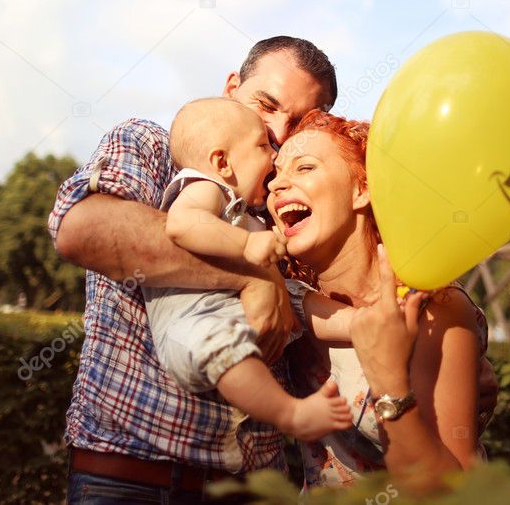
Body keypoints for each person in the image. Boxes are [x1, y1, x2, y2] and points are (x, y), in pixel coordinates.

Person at [49, 36, 498, 503]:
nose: (280, 133)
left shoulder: (275, 207)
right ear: (230, 87)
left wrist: (446, 362)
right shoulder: (152, 147)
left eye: (299, 122)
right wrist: (253, 275)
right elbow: (82, 229)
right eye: (266, 105)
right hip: (132, 477)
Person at [268, 110, 489, 493]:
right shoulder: (285, 301)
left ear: (362, 189)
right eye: (274, 175)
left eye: (304, 167)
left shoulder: (433, 308)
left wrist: (390, 382)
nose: (277, 186)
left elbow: (452, 491)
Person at [143, 96, 354, 441]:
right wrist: (247, 245)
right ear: (222, 162)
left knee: (296, 296)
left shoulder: (242, 209)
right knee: (226, 347)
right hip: (193, 326)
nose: (273, 155)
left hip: (225, 315)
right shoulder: (204, 188)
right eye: (261, 146)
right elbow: (182, 224)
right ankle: (290, 414)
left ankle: (358, 324)